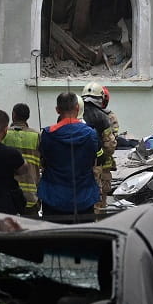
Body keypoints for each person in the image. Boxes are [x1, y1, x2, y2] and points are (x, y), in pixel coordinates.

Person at [37, 91, 101, 222]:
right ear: (78, 108)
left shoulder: (48, 134)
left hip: (53, 197)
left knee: (55, 240)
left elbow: (44, 159)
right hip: (84, 198)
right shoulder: (90, 134)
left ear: (57, 110)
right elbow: (94, 160)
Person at [80, 83, 120, 215]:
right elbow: (110, 146)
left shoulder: (74, 114)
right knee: (98, 204)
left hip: (76, 166)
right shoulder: (103, 117)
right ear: (101, 98)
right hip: (98, 166)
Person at [4, 103, 42, 215]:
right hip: (31, 195)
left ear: (13, 115)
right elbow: (44, 162)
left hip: (9, 194)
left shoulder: (5, 134)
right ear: (28, 116)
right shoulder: (36, 135)